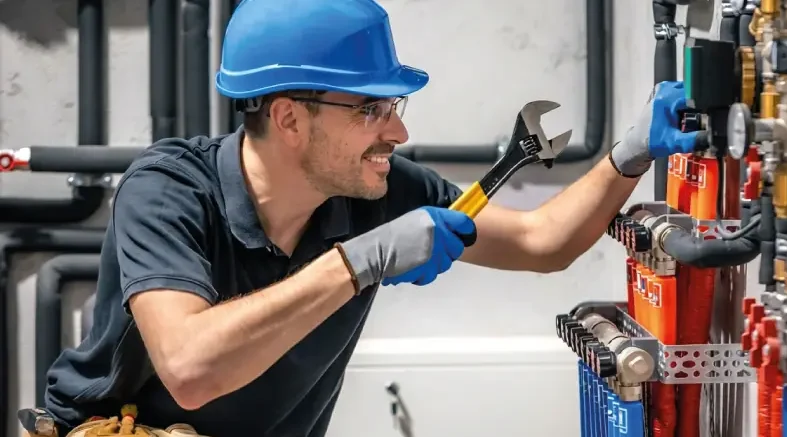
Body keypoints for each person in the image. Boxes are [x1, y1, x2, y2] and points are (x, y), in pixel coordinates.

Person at [41, 0, 698, 436]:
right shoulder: (167, 190)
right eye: (370, 109)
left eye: (395, 103)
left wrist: (626, 156)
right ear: (290, 118)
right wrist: (357, 262)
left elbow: (539, 240)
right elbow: (190, 369)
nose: (400, 129)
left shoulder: (376, 193)